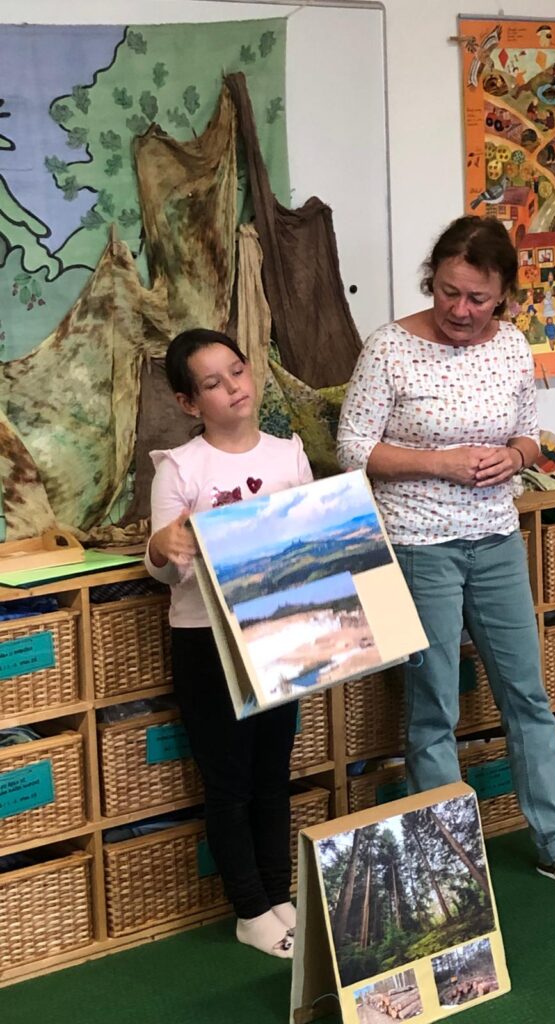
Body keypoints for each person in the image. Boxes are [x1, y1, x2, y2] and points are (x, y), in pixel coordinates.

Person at [336, 216, 555, 897]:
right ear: (432, 280)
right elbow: (352, 449)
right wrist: (440, 463)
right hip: (418, 545)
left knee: (528, 695)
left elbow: (529, 434)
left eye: (478, 298)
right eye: (448, 292)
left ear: (504, 296)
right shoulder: (390, 348)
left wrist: (515, 456)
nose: (460, 310)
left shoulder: (513, 345)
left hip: (496, 538)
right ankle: (445, 866)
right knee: (434, 706)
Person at [145, 328, 314, 956]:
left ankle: (277, 893)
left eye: (238, 371)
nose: (234, 388)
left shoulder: (288, 455)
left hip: (279, 631)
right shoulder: (179, 467)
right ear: (189, 403)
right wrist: (161, 547)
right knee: (229, 779)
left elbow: (312, 546)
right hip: (207, 641)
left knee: (273, 771)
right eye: (213, 384)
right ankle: (249, 909)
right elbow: (165, 570)